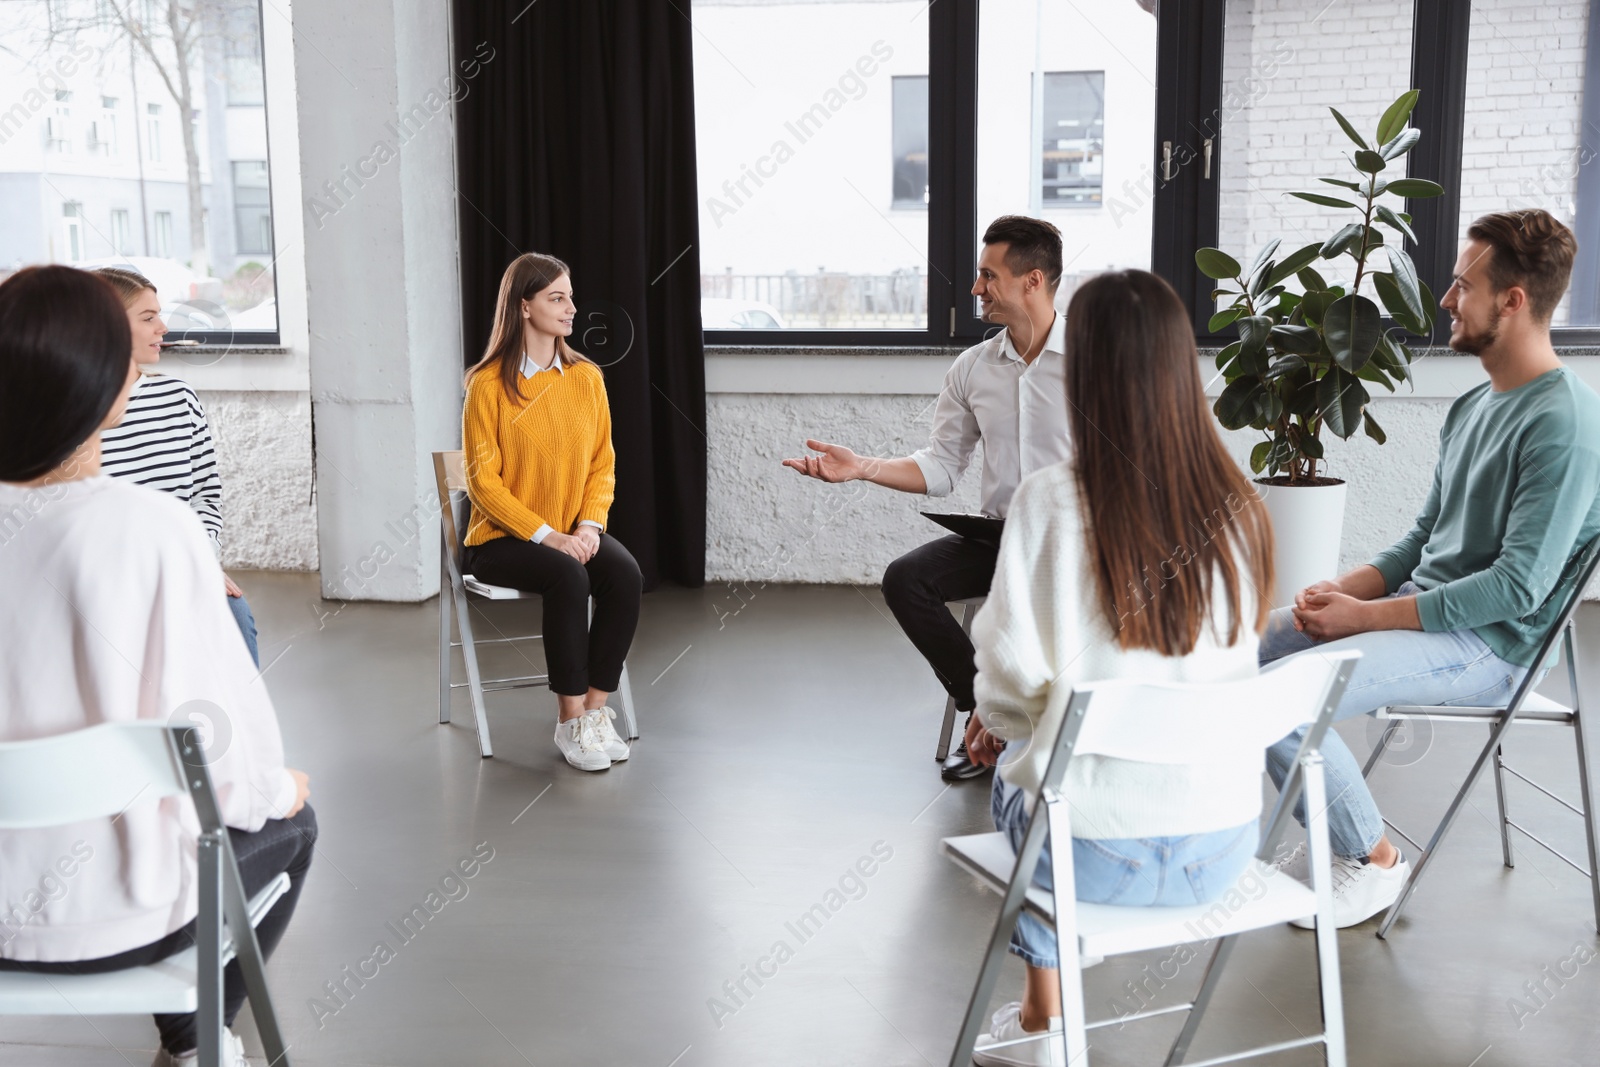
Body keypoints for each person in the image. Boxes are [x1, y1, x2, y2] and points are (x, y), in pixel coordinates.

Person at [0, 266, 315, 1067]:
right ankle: (192, 1042)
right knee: (294, 817)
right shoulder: (152, 530)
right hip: (122, 920)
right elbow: (223, 759)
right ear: (109, 384)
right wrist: (281, 789)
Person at [962, 270, 1275, 1066]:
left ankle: (1044, 1013)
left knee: (1018, 768)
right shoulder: (1240, 506)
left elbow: (1002, 686)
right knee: (1040, 755)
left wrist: (999, 726)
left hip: (1093, 856)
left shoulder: (1050, 501)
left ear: (1087, 372)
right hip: (1225, 846)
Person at [1260, 208, 1600, 928]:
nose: (1446, 300)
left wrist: (1365, 617)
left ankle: (1373, 860)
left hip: (1494, 645)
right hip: (1427, 610)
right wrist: (1342, 590)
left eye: (1460, 285)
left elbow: (1518, 587)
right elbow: (1421, 538)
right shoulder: (1475, 403)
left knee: (1281, 697)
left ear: (1512, 301)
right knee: (1239, 651)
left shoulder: (1566, 423)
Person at [784, 216, 1072, 781]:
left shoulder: (1099, 360)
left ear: (1033, 280)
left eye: (988, 276)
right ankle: (991, 717)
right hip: (1004, 537)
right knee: (906, 579)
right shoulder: (974, 368)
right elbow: (941, 466)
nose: (975, 289)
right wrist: (861, 467)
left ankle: (1051, 729)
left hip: (1082, 544)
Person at [461, 252, 642, 772]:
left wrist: (587, 526)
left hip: (572, 531)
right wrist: (548, 536)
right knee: (567, 575)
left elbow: (602, 464)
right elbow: (482, 481)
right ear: (524, 307)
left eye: (570, 297)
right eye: (556, 298)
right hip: (499, 541)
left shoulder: (586, 378)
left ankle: (593, 712)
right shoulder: (487, 385)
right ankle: (568, 722)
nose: (571, 308)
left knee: (625, 574)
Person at [94, 266, 261, 667]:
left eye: (161, 315)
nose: (164, 327)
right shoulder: (67, 412)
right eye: (148, 318)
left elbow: (206, 492)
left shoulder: (178, 397)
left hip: (182, 562)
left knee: (234, 618)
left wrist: (199, 561)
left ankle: (235, 730)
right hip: (110, 575)